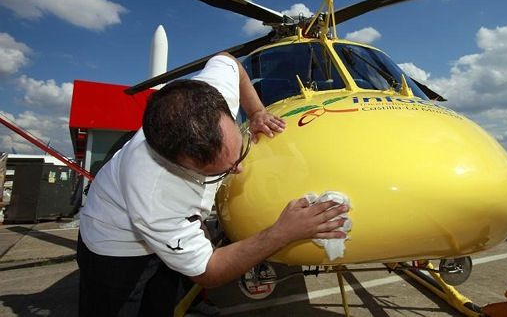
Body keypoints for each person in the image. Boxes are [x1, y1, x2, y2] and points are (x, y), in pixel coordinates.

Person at [77, 52, 348, 317]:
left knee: (165, 299)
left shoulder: (210, 95)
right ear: (177, 165)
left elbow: (228, 60)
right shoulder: (156, 193)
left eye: (238, 152)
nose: (238, 168)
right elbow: (209, 270)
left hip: (169, 223)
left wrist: (256, 112)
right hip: (118, 246)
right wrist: (282, 232)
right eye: (221, 172)